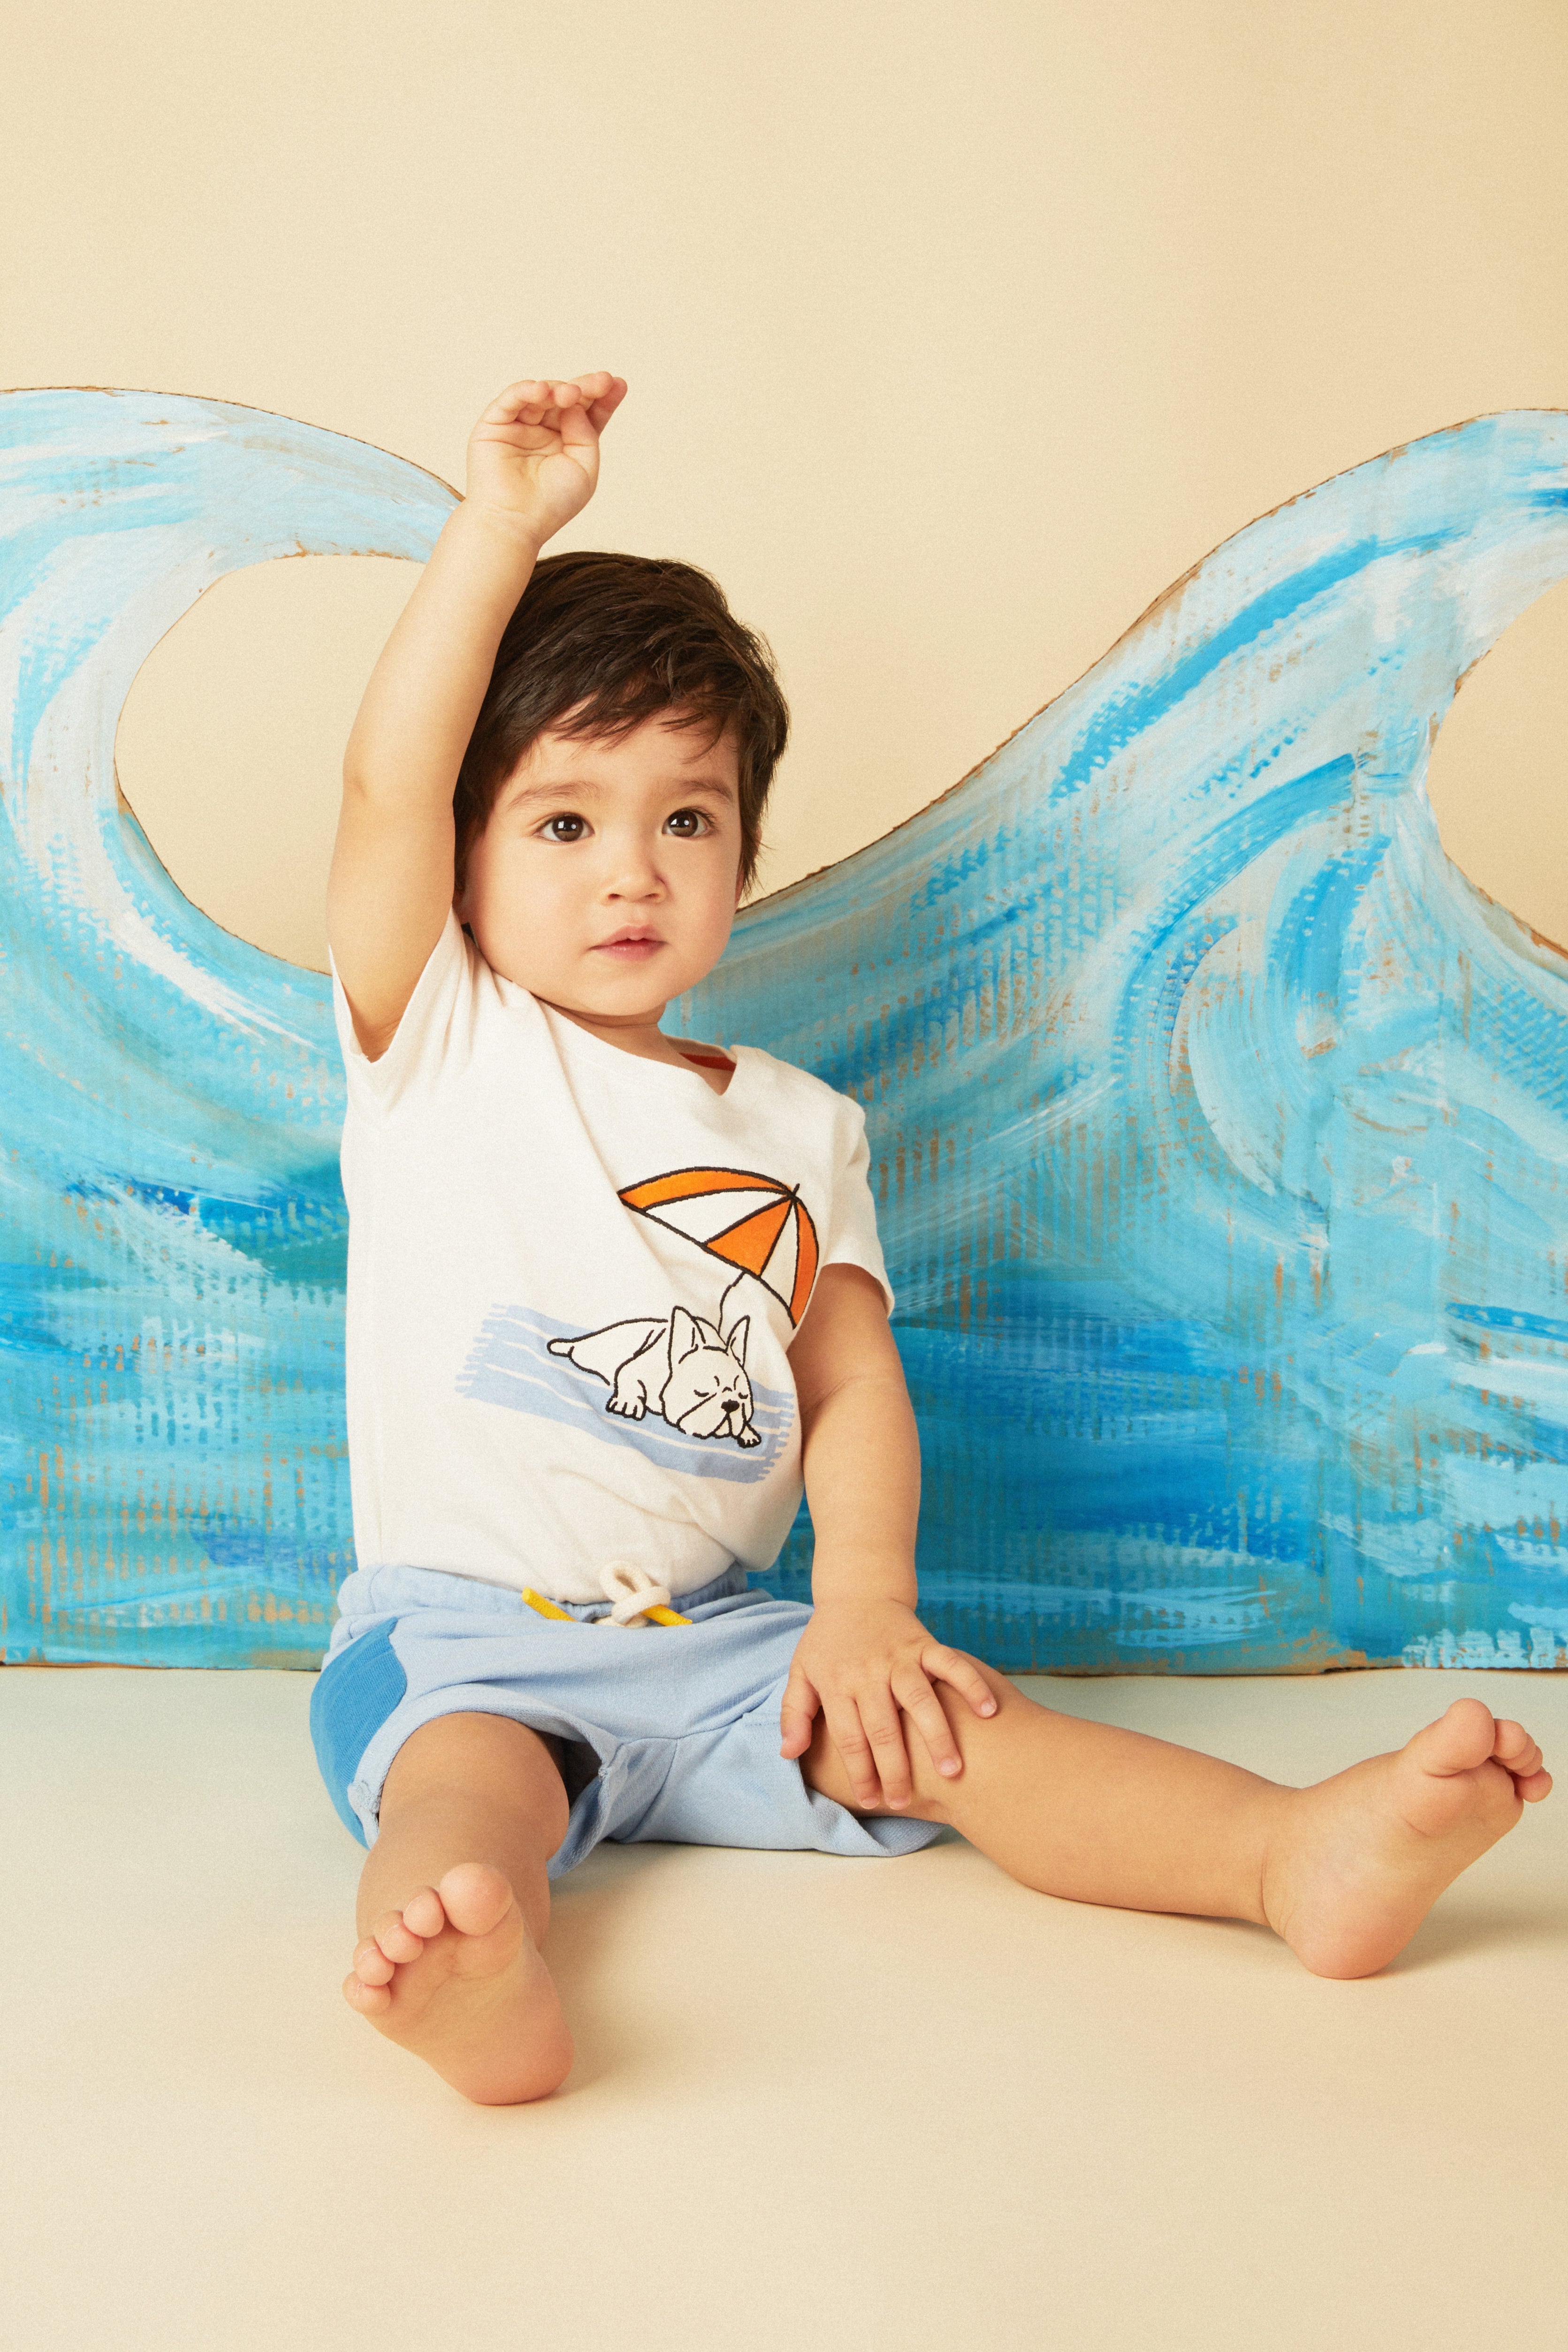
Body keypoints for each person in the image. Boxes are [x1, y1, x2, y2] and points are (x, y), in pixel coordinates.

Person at [313, 372, 1552, 2107]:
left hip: (727, 1641)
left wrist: (865, 1611)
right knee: (467, 1795)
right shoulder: (439, 1043)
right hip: (470, 1644)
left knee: (966, 1732)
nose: (632, 872)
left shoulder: (797, 1131)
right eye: (565, 821)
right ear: (463, 857)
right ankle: (476, 1964)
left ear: (743, 847)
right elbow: (387, 780)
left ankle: (1286, 1858)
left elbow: (849, 1385)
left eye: (688, 819)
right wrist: (502, 526)